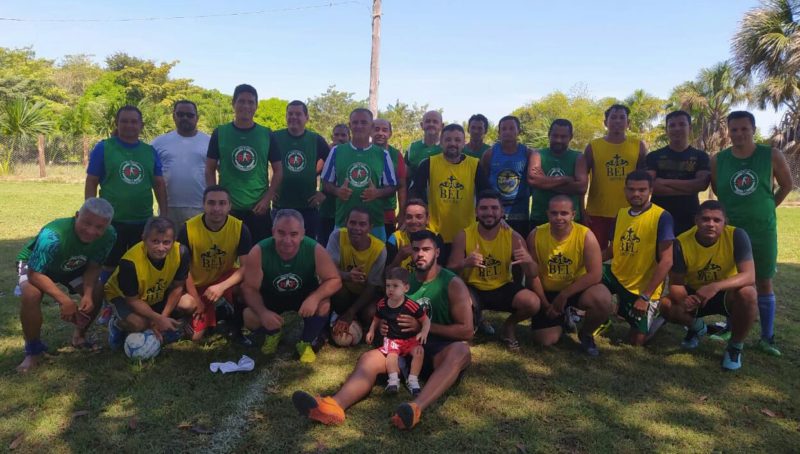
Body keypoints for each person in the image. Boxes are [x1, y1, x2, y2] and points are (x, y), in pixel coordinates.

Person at [291, 229, 473, 430]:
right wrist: (386, 325)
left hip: (438, 349)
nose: (420, 254)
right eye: (416, 249)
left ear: (437, 252)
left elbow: (466, 331)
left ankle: (415, 408)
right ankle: (333, 406)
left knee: (461, 351)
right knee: (368, 359)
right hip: (405, 346)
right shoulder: (404, 282)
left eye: (427, 249)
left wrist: (423, 326)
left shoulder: (452, 283)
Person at [711, 110, 793, 356]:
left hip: (762, 230)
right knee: (731, 279)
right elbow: (717, 189)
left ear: (753, 129)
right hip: (731, 230)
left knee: (764, 281)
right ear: (728, 131)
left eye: (744, 129)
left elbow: (787, 185)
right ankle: (729, 327)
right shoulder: (719, 159)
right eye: (734, 129)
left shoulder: (771, 155)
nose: (739, 134)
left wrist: (768, 207)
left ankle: (767, 338)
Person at [16, 198, 117, 372]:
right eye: (86, 223)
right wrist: (64, 300)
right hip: (36, 266)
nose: (91, 231)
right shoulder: (53, 235)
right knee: (31, 294)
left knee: (97, 291)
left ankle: (79, 336)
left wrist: (87, 293)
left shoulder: (110, 235)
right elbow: (35, 273)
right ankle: (33, 351)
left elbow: (94, 266)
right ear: (77, 216)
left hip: (71, 265)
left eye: (99, 227)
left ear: (108, 226)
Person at [658, 200, 757, 370]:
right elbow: (676, 283)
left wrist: (715, 286)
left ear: (725, 221)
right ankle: (696, 327)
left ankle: (735, 348)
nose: (710, 224)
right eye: (705, 219)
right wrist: (684, 299)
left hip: (725, 292)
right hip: (695, 293)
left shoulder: (737, 235)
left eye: (716, 220)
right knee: (666, 305)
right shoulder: (681, 242)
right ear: (696, 220)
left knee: (748, 294)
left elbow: (749, 275)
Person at [241, 209, 342, 362]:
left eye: (294, 234)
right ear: (273, 232)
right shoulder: (259, 251)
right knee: (249, 316)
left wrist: (315, 297)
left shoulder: (314, 248)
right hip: (272, 296)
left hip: (303, 294)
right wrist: (263, 313)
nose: (287, 240)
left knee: (323, 304)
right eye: (281, 233)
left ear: (303, 234)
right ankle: (273, 333)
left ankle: (305, 341)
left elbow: (335, 280)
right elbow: (249, 288)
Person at [448, 190, 540, 350]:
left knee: (532, 303)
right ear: (476, 211)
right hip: (472, 288)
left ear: (502, 211)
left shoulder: (514, 237)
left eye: (494, 208)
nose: (489, 213)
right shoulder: (464, 235)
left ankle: (509, 327)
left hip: (502, 286)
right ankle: (475, 319)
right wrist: (465, 262)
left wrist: (529, 261)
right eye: (483, 208)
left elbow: (532, 274)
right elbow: (449, 271)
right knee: (465, 330)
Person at [526, 196, 612, 355]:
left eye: (564, 213)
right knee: (545, 340)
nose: (559, 218)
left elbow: (595, 274)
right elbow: (533, 275)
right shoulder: (535, 235)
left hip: (574, 290)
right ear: (547, 214)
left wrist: (564, 295)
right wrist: (546, 305)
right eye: (554, 213)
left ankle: (586, 334)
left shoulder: (586, 235)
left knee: (603, 298)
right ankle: (563, 318)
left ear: (573, 214)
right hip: (547, 293)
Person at [85, 105, 168, 269]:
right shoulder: (103, 148)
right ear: (117, 123)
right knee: (109, 265)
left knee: (142, 264)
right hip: (111, 221)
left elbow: (158, 184)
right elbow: (91, 181)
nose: (129, 125)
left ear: (141, 125)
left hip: (143, 220)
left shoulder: (150, 151)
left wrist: (163, 214)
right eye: (124, 121)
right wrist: (91, 211)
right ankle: (109, 294)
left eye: (133, 122)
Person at [601, 170, 674, 346]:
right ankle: (601, 318)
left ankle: (657, 318)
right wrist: (589, 264)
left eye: (642, 190)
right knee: (585, 278)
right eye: (631, 189)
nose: (636, 194)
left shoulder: (662, 217)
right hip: (616, 275)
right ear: (625, 190)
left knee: (636, 341)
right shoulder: (621, 213)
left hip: (642, 288)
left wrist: (646, 296)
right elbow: (612, 249)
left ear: (651, 191)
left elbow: (667, 260)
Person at [205, 84, 283, 243]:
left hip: (258, 208)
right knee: (227, 255)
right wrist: (216, 201)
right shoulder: (220, 133)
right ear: (233, 104)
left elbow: (279, 171)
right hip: (229, 209)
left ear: (256, 106)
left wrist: (266, 199)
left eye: (250, 102)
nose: (246, 106)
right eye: (241, 101)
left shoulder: (266, 134)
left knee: (259, 255)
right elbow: (209, 169)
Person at [105, 217, 195, 348]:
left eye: (166, 242)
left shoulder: (181, 252)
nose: (160, 247)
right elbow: (133, 300)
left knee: (189, 303)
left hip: (154, 294)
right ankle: (116, 323)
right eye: (155, 241)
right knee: (139, 323)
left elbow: (177, 288)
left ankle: (164, 325)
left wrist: (162, 318)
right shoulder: (129, 262)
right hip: (123, 297)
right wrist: (157, 319)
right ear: (144, 239)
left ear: (174, 240)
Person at [177, 185, 252, 342]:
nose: (216, 208)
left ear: (229, 206)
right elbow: (183, 271)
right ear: (203, 205)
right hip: (196, 287)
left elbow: (246, 267)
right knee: (195, 336)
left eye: (222, 203)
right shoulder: (188, 229)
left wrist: (221, 286)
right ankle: (218, 311)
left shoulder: (240, 228)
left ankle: (235, 326)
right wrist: (197, 300)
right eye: (211, 203)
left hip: (222, 282)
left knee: (246, 286)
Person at [412, 123, 489, 263]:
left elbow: (486, 194)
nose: (452, 143)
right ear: (441, 142)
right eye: (448, 140)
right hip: (436, 233)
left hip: (466, 233)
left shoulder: (474, 165)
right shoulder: (428, 164)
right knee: (437, 277)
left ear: (464, 143)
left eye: (457, 140)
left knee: (462, 277)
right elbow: (415, 193)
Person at [321, 108, 398, 241]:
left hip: (374, 223)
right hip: (343, 221)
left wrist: (377, 193)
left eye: (364, 122)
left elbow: (392, 187)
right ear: (350, 125)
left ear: (371, 126)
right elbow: (326, 183)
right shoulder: (336, 151)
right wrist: (337, 191)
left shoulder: (382, 154)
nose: (359, 126)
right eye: (355, 122)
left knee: (376, 261)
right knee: (340, 260)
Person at [585, 104, 647, 249]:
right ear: (605, 122)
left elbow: (644, 181)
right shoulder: (593, 146)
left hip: (628, 211)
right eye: (613, 117)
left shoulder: (638, 146)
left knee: (625, 254)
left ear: (628, 123)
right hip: (597, 212)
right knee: (596, 255)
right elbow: (582, 180)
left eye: (622, 117)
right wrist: (583, 211)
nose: (617, 121)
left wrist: (642, 208)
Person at [365, 267, 430, 395]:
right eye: (388, 285)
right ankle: (393, 381)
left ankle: (413, 380)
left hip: (410, 340)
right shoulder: (382, 304)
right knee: (391, 356)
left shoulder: (411, 305)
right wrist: (371, 331)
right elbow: (376, 317)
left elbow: (425, 320)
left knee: (419, 351)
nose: (390, 289)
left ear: (405, 288)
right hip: (393, 339)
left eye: (395, 286)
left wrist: (423, 332)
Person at [272, 100, 330, 240]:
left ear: (306, 117)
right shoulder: (274, 137)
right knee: (280, 245)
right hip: (281, 205)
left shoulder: (316, 140)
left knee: (307, 247)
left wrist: (324, 193)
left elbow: (333, 167)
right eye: (290, 114)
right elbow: (261, 164)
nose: (294, 117)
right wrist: (268, 191)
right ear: (286, 116)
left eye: (298, 114)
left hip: (307, 206)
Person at [646, 110, 710, 235]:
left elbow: (701, 185)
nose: (677, 129)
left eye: (682, 124)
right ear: (666, 130)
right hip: (659, 216)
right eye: (672, 125)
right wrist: (688, 187)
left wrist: (664, 181)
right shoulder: (654, 156)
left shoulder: (700, 156)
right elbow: (650, 187)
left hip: (690, 217)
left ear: (690, 128)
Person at [326, 207, 387, 335]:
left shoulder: (379, 250)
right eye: (352, 223)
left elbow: (372, 287)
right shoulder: (337, 236)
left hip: (365, 294)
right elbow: (328, 271)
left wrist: (351, 312)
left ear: (370, 227)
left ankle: (353, 316)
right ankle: (331, 319)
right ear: (346, 223)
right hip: (344, 290)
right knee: (333, 285)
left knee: (370, 314)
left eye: (362, 224)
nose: (356, 228)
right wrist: (347, 276)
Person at [151, 100, 211, 229]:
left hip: (200, 207)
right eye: (180, 114)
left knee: (197, 247)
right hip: (168, 208)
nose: (185, 118)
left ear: (197, 118)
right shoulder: (158, 143)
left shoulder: (209, 142)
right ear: (174, 116)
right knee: (168, 247)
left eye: (190, 115)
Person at [528, 119, 587, 227]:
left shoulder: (578, 157)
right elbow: (533, 180)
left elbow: (581, 188)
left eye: (563, 136)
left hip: (569, 219)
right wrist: (565, 179)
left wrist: (544, 181)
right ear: (549, 135)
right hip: (540, 217)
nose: (558, 140)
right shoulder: (537, 155)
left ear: (571, 137)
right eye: (555, 135)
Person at [480, 115, 533, 236]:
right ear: (499, 132)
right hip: (495, 213)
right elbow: (484, 182)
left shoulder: (527, 153)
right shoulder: (490, 154)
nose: (507, 132)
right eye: (504, 129)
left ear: (518, 131)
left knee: (518, 248)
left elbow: (533, 181)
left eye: (511, 128)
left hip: (520, 213)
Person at [372, 118, 407, 238]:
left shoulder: (396, 154)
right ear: (370, 131)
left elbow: (401, 186)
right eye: (376, 129)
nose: (380, 133)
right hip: (365, 212)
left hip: (387, 214)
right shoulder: (364, 151)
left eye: (384, 130)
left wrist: (402, 213)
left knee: (387, 251)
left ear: (390, 133)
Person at [318, 124, 351, 246]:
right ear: (332, 137)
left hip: (345, 209)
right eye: (336, 135)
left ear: (349, 137)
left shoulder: (352, 154)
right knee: (324, 244)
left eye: (343, 135)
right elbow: (313, 173)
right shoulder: (327, 152)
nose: (340, 138)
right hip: (327, 208)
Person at [386, 199, 436, 273]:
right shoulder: (394, 239)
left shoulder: (435, 238)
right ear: (404, 219)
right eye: (409, 217)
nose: (414, 221)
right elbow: (386, 274)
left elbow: (441, 273)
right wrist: (399, 257)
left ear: (427, 219)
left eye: (419, 217)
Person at [405, 110, 443, 190]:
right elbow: (405, 177)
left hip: (441, 197)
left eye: (435, 122)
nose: (431, 124)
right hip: (416, 196)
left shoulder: (447, 148)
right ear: (422, 125)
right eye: (428, 121)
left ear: (441, 126)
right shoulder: (412, 147)